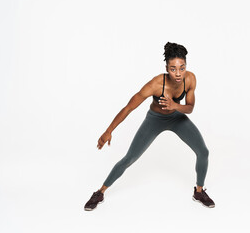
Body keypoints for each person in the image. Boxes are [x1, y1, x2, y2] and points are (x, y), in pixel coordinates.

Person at [84, 42, 215, 210]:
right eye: (173, 69)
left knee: (203, 152)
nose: (178, 73)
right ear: (167, 68)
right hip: (155, 120)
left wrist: (175, 106)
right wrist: (108, 131)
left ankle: (199, 191)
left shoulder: (190, 79)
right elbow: (129, 107)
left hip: (177, 118)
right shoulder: (155, 84)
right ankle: (100, 192)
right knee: (130, 158)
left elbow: (189, 108)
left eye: (182, 68)